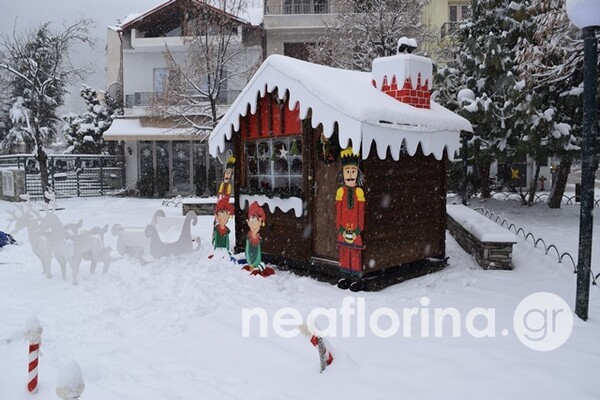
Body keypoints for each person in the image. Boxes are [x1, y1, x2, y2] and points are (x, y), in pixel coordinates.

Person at [336, 147, 365, 290]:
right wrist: (340, 229)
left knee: (355, 254)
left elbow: (360, 214)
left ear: (357, 173)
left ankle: (355, 279)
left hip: (355, 230)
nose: (350, 175)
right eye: (347, 171)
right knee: (344, 253)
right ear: (342, 173)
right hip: (343, 230)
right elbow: (338, 213)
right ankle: (345, 276)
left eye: (353, 171)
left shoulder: (359, 192)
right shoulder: (340, 191)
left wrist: (358, 230)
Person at [243, 201, 274, 277]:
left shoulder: (258, 239)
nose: (254, 225)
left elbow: (258, 253)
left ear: (260, 223)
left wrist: (256, 263)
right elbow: (247, 251)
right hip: (250, 261)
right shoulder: (248, 239)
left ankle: (258, 268)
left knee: (261, 265)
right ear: (248, 222)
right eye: (252, 221)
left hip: (256, 262)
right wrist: (251, 263)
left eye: (256, 221)